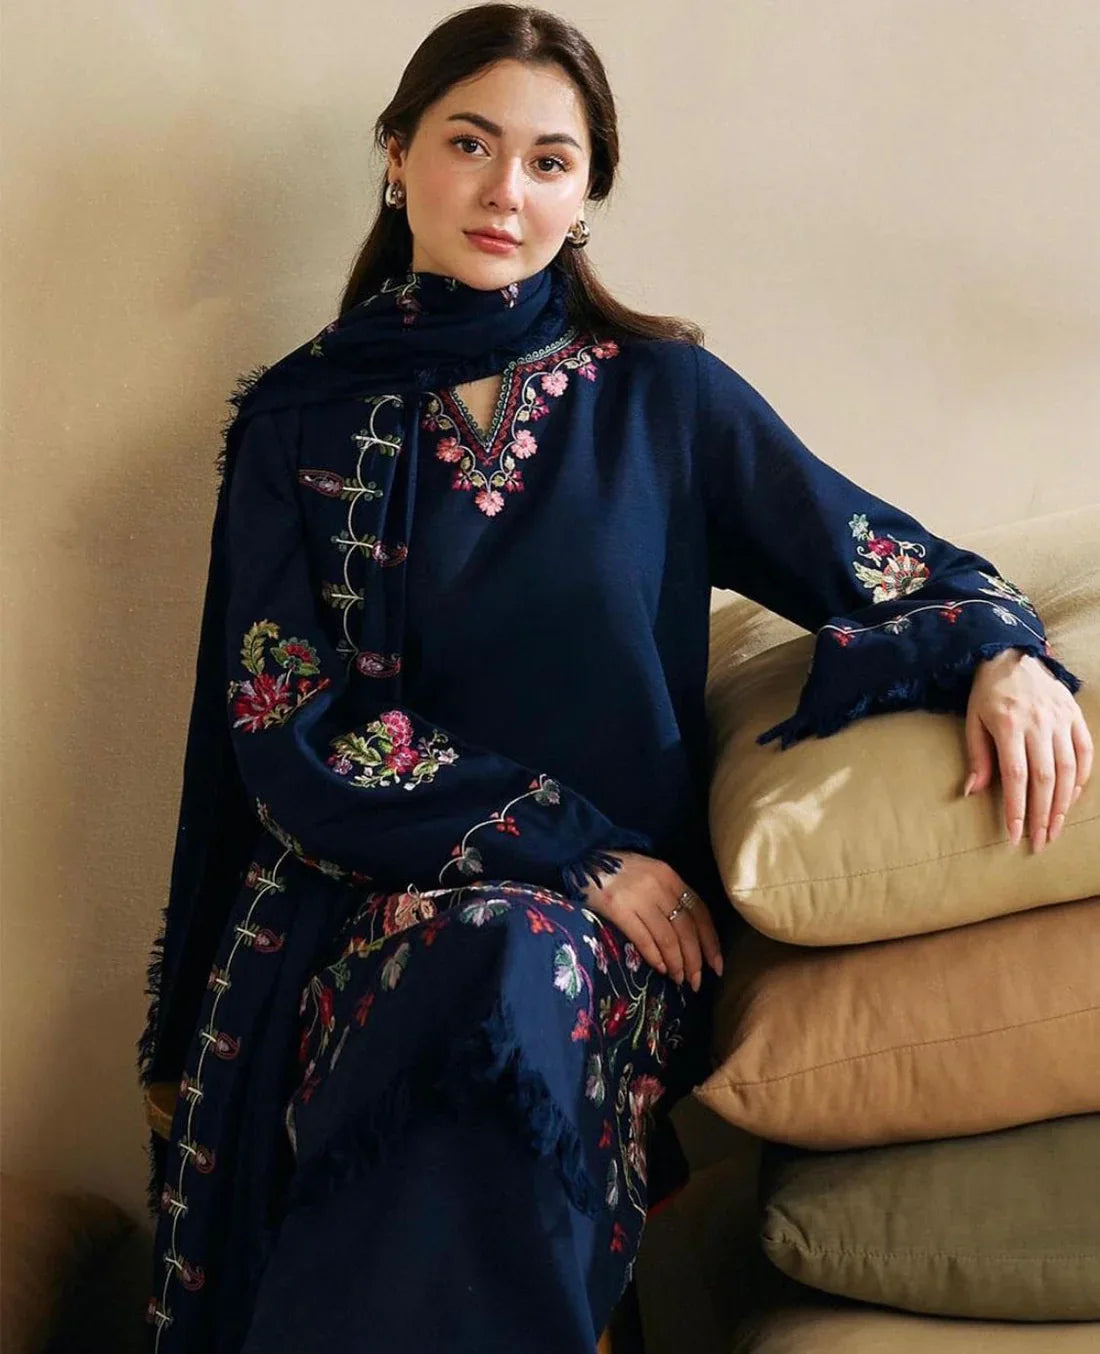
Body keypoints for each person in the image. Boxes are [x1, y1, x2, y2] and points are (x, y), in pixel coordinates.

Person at [136, 6, 1092, 1352]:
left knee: (508, 969)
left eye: (549, 160)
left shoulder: (665, 401)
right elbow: (285, 722)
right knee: (477, 958)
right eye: (471, 144)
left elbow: (875, 557)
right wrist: (564, 849)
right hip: (354, 899)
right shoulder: (297, 426)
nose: (504, 190)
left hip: (612, 937)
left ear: (587, 196)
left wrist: (997, 645)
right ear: (398, 154)